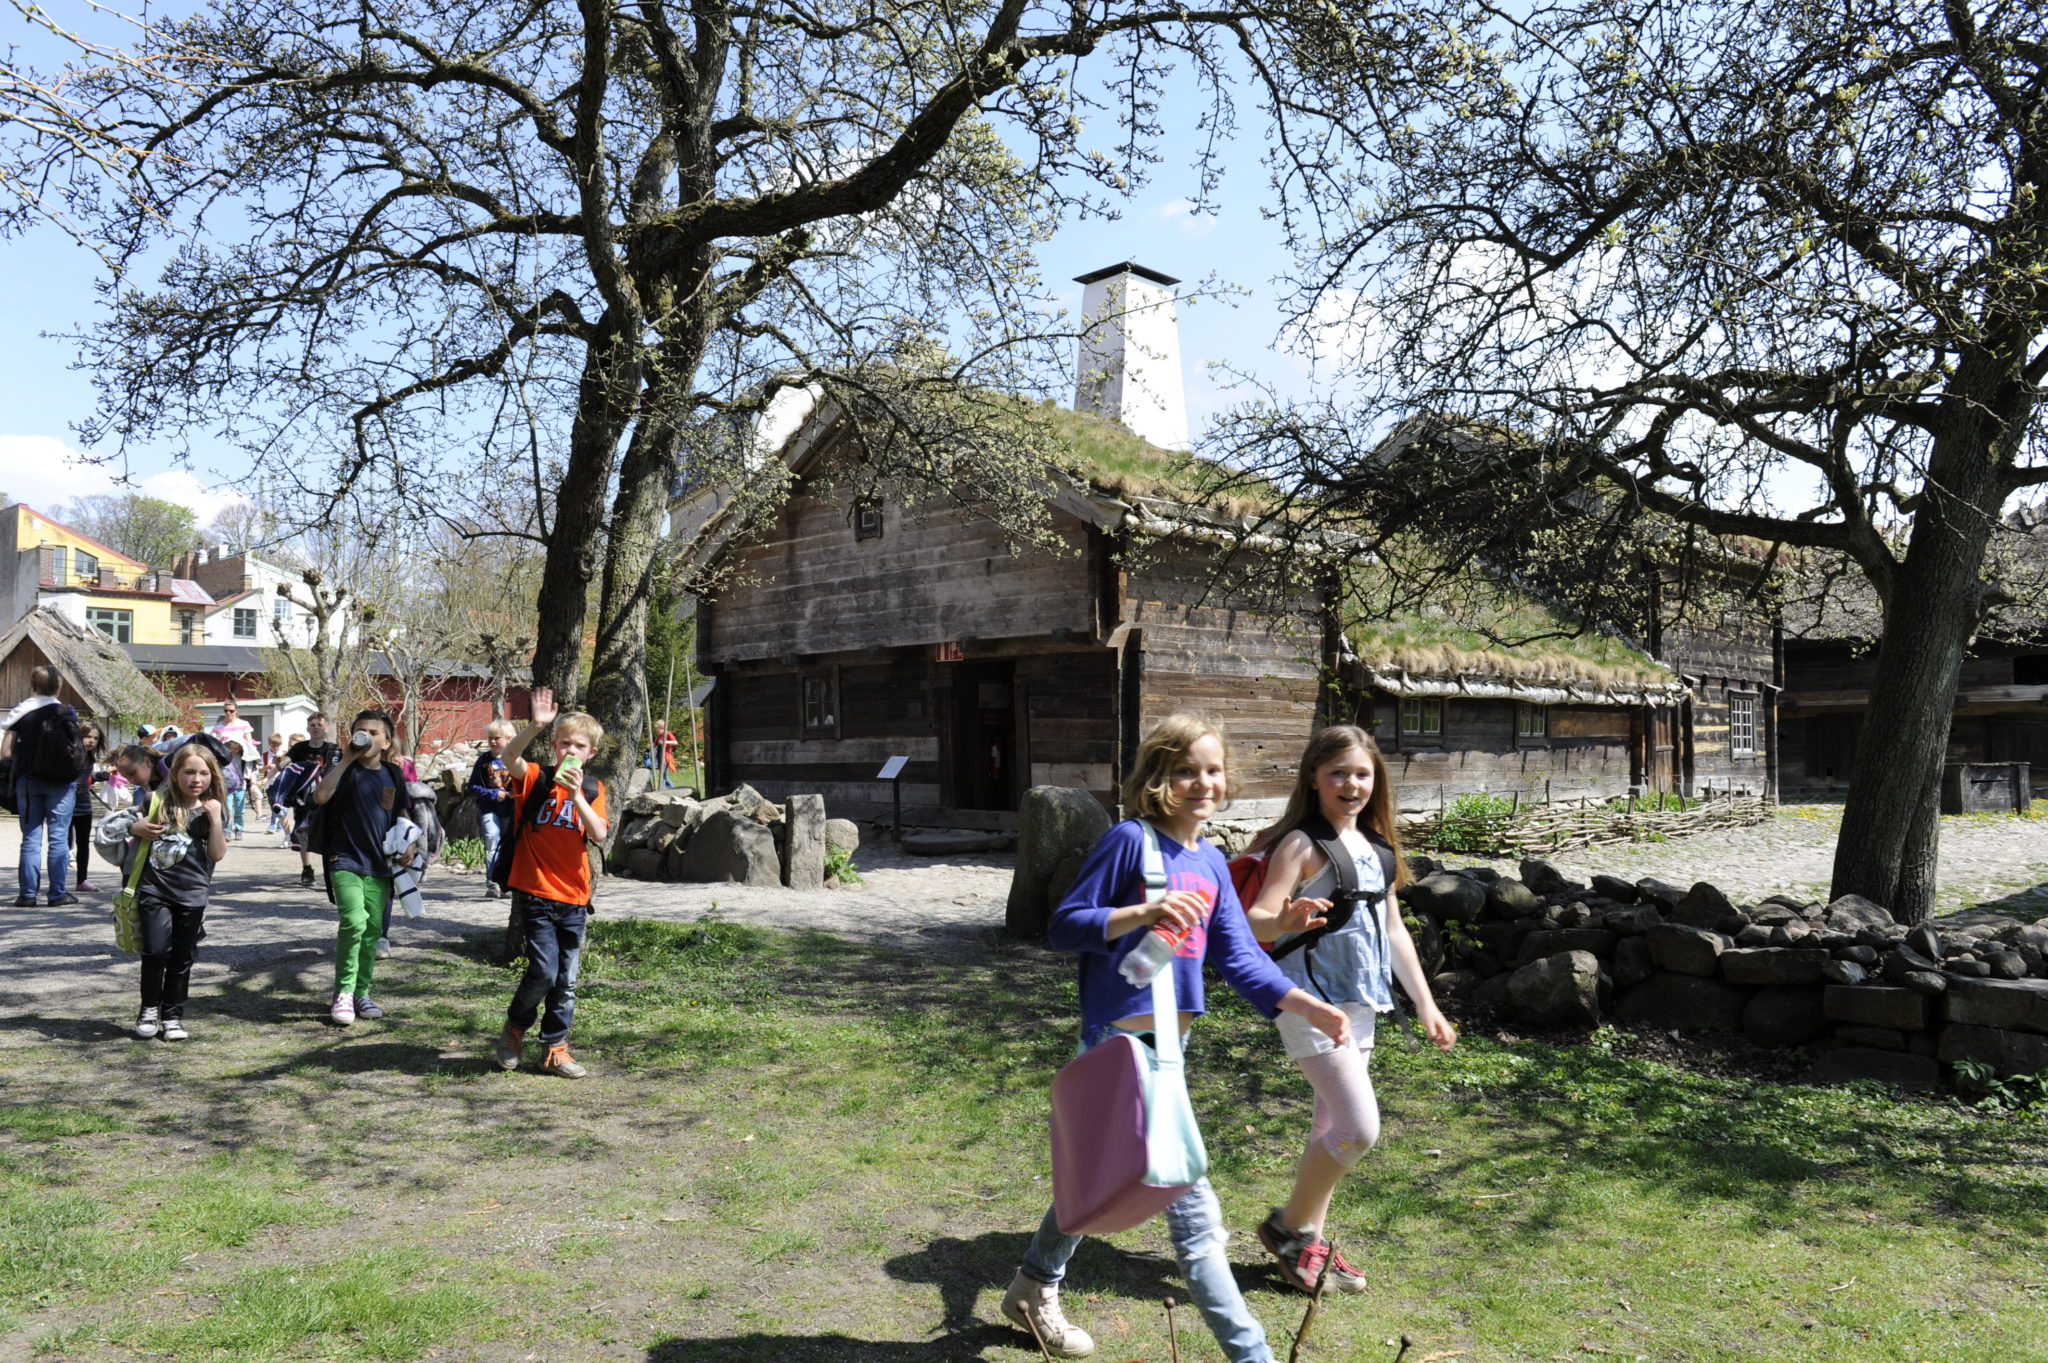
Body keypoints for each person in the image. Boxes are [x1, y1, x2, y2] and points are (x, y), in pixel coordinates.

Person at [1002, 713, 1351, 1362]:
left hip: (1172, 1052)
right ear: (1158, 777)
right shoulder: (1130, 842)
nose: (1202, 782)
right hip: (1121, 1047)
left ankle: (1031, 1284)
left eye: (1213, 769)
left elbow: (1241, 958)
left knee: (1105, 1170)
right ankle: (1254, 1355)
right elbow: (1064, 925)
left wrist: (1310, 1004)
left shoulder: (1211, 862)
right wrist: (1145, 911)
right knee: (1195, 1219)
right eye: (1186, 769)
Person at [1241, 724, 1456, 1294]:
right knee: (1359, 1130)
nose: (1351, 784)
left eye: (1362, 773)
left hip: (1361, 1002)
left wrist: (1427, 1005)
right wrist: (1282, 921)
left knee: (1330, 1126)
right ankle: (1288, 1229)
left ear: (1375, 780)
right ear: (1314, 777)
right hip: (1309, 1002)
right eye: (1338, 772)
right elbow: (1256, 919)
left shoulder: (1379, 847)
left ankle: (1306, 1244)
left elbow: (1393, 932)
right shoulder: (1300, 845)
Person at [488, 687, 609, 1079]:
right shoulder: (536, 777)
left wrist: (577, 798)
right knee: (543, 972)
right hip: (536, 893)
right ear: (554, 746)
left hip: (574, 898)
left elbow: (600, 835)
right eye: (563, 743)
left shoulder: (592, 790)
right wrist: (535, 725)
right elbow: (508, 757)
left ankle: (555, 1048)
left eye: (579, 745)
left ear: (591, 753)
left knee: (567, 979)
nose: (570, 750)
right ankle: (514, 1029)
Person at [310, 708, 414, 1025]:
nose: (366, 736)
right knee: (354, 921)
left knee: (371, 931)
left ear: (386, 742)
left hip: (380, 865)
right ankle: (342, 992)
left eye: (374, 732)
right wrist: (344, 761)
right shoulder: (345, 770)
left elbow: (401, 813)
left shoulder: (393, 774)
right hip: (344, 859)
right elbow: (320, 797)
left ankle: (360, 992)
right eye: (360, 730)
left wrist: (409, 841)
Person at [128, 741, 230, 1041]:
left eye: (203, 773)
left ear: (212, 776)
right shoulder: (155, 802)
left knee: (182, 957)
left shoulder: (212, 809)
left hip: (193, 894)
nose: (196, 779)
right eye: (188, 772)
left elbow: (216, 855)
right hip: (153, 890)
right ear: (174, 774)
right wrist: (137, 828)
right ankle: (148, 1008)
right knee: (156, 951)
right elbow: (127, 825)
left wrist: (215, 820)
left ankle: (172, 1015)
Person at [3, 665, 85, 907]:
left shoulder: (21, 712)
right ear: (58, 687)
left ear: (32, 685)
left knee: (30, 838)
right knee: (59, 838)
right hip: (61, 783)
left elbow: (5, 752)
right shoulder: (66, 712)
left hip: (28, 782)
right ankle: (57, 894)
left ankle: (27, 895)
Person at [283, 714, 342, 886]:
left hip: (325, 797)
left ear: (327, 728)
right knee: (303, 832)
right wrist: (272, 773)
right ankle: (307, 868)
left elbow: (338, 771)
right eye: (312, 724)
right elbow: (285, 760)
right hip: (303, 798)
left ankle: (331, 868)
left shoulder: (333, 749)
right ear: (308, 728)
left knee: (329, 832)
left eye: (320, 724)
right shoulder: (300, 748)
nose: (316, 727)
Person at [469, 719, 517, 898]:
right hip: (489, 808)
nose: (493, 741)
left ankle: (506, 882)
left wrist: (513, 793)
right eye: (490, 738)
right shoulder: (483, 761)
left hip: (509, 810)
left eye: (497, 738)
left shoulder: (515, 760)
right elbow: (473, 786)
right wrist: (493, 794)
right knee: (491, 840)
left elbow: (524, 781)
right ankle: (492, 882)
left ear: (510, 739)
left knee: (507, 845)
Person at [70, 720, 107, 892]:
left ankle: (82, 880)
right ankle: (57, 882)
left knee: (83, 843)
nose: (91, 741)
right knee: (64, 844)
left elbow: (86, 779)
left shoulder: (90, 756)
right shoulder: (71, 753)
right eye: (87, 736)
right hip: (66, 803)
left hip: (84, 804)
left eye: (95, 738)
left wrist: (99, 776)